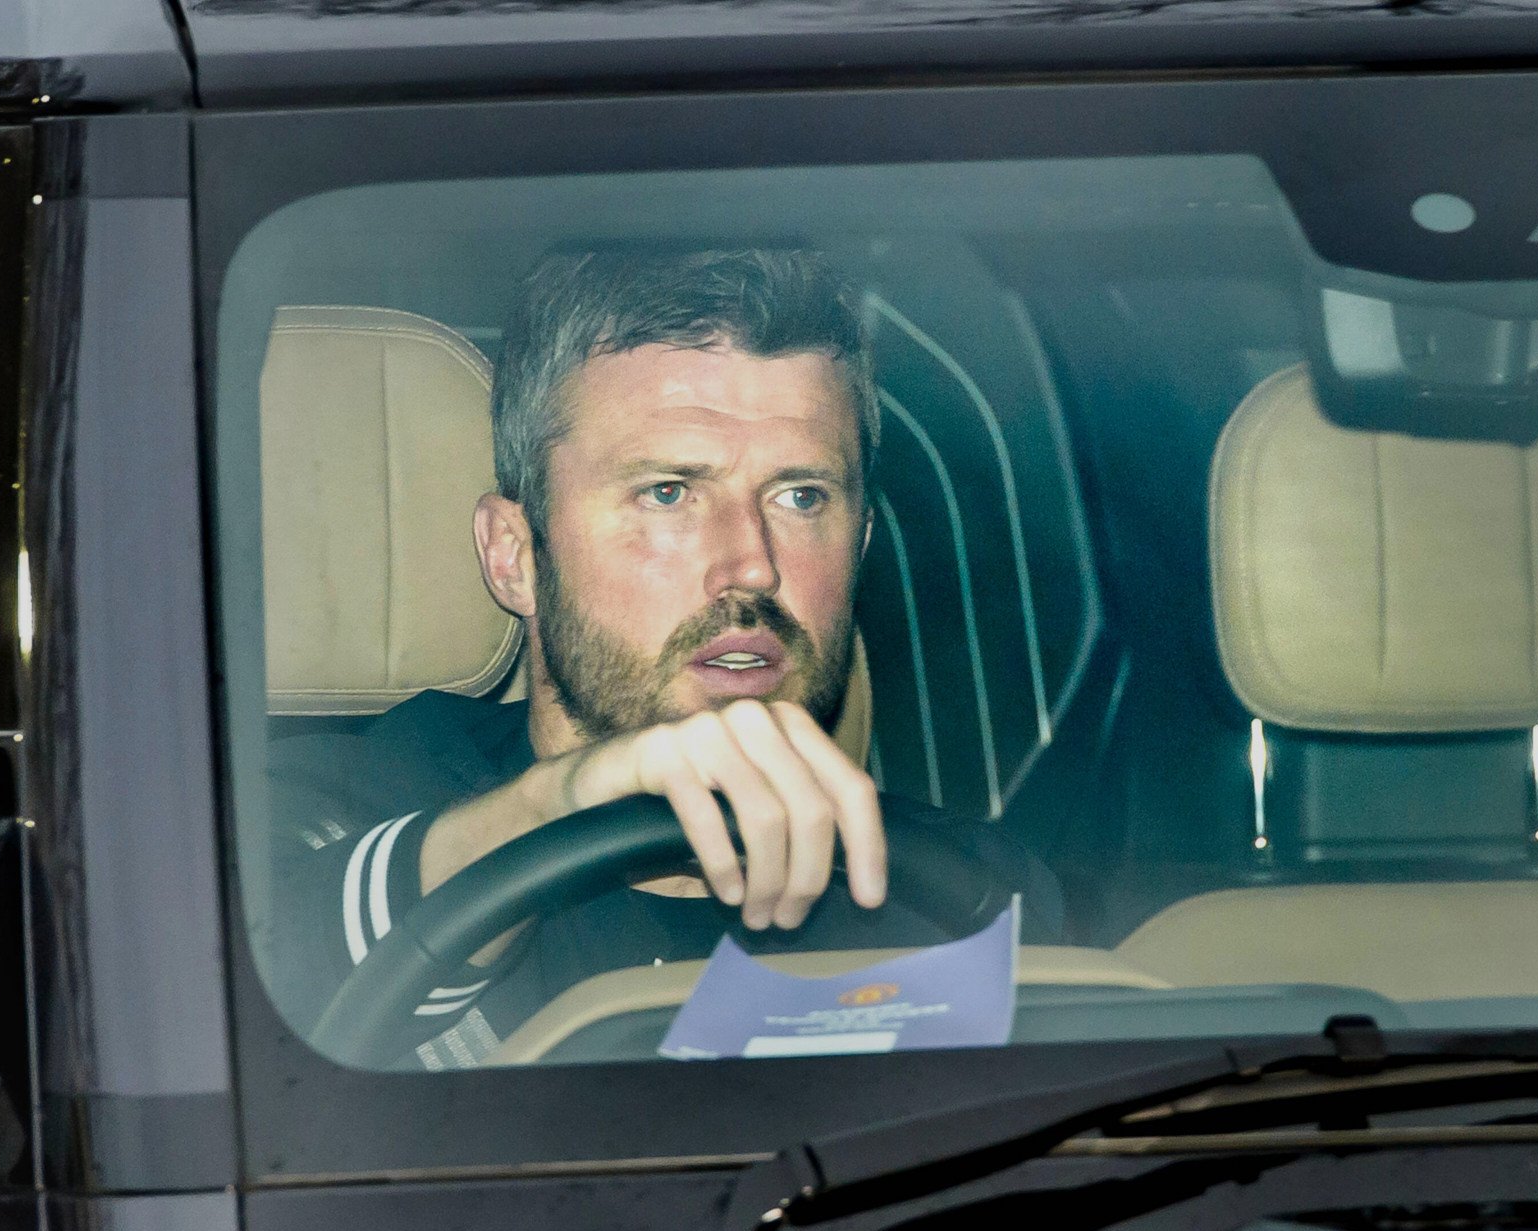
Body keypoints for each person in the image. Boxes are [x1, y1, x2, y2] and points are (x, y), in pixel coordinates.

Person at [263, 248, 1062, 1069]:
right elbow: (246, 1004)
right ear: (515, 556)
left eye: (801, 497)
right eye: (668, 492)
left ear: (859, 547)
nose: (752, 566)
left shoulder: (966, 894)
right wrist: (554, 813)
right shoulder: (327, 810)